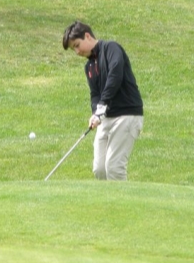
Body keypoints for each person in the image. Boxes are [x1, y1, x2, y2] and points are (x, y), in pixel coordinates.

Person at [62, 21, 144, 181]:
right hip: (106, 118)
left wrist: (102, 105)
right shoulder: (89, 67)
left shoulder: (111, 49)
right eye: (74, 49)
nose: (77, 52)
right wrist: (95, 112)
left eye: (77, 45)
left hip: (127, 115)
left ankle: (121, 205)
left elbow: (116, 74)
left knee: (114, 167)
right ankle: (106, 204)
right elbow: (95, 94)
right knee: (99, 169)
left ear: (87, 36)